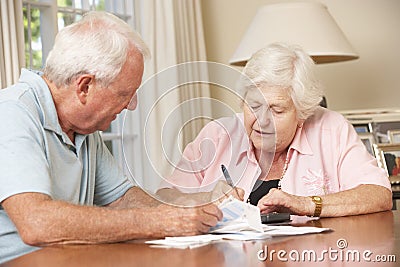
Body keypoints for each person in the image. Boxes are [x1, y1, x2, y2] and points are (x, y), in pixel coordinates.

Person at [0, 11, 223, 264]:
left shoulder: (82, 128)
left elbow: (123, 199)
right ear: (84, 87)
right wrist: (161, 221)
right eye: (125, 93)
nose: (132, 105)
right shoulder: (12, 113)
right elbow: (36, 223)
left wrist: (193, 207)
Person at [157, 42, 392, 217]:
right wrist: (205, 197)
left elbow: (378, 194)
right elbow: (164, 196)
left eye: (276, 110)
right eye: (254, 105)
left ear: (301, 113)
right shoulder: (217, 135)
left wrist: (307, 204)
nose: (262, 121)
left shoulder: (331, 129)